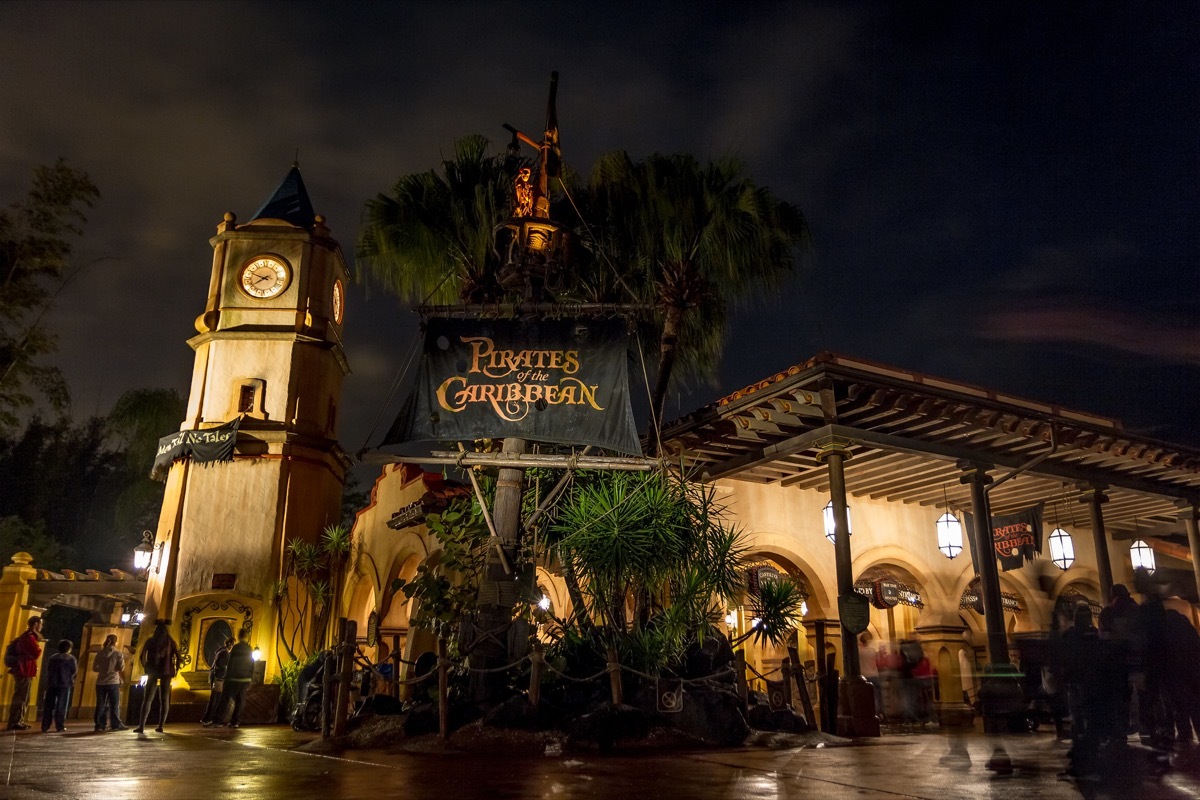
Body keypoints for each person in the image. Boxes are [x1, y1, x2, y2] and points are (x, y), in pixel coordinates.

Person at [136, 620, 179, 734]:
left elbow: (142, 655)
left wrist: (145, 666)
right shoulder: (170, 641)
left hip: (153, 671)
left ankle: (141, 725)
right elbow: (178, 656)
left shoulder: (151, 641)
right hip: (166, 671)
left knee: (147, 699)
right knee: (164, 699)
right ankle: (160, 725)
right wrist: (176, 669)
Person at [210, 629, 253, 728]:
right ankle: (235, 721)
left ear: (239, 636)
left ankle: (217, 720)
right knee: (240, 701)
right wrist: (250, 678)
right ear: (247, 637)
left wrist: (227, 677)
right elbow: (252, 664)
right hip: (245, 679)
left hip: (233, 678)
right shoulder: (249, 649)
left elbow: (231, 663)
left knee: (224, 699)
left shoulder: (236, 648)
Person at [6, 616, 42, 730]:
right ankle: (15, 721)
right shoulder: (28, 637)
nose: (41, 627)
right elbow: (36, 652)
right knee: (22, 696)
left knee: (23, 696)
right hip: (24, 670)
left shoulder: (26, 637)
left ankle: (17, 720)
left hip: (24, 669)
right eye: (41, 624)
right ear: (36, 624)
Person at [41, 639, 77, 733]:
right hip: (65, 684)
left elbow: (48, 669)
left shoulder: (52, 658)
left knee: (49, 705)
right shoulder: (71, 658)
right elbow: (74, 670)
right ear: (69, 648)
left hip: (52, 683)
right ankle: (59, 726)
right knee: (61, 706)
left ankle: (45, 726)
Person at [92, 634, 126, 731]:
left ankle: (99, 725)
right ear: (116, 642)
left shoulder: (100, 653)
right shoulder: (118, 654)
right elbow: (121, 667)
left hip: (100, 682)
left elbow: (94, 668)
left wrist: (103, 669)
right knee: (114, 704)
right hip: (113, 681)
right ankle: (115, 724)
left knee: (100, 704)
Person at [200, 637, 233, 725]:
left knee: (214, 699)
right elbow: (220, 665)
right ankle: (209, 719)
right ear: (230, 645)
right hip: (218, 678)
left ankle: (207, 718)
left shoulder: (220, 651)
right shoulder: (224, 653)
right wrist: (227, 670)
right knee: (215, 699)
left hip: (216, 677)